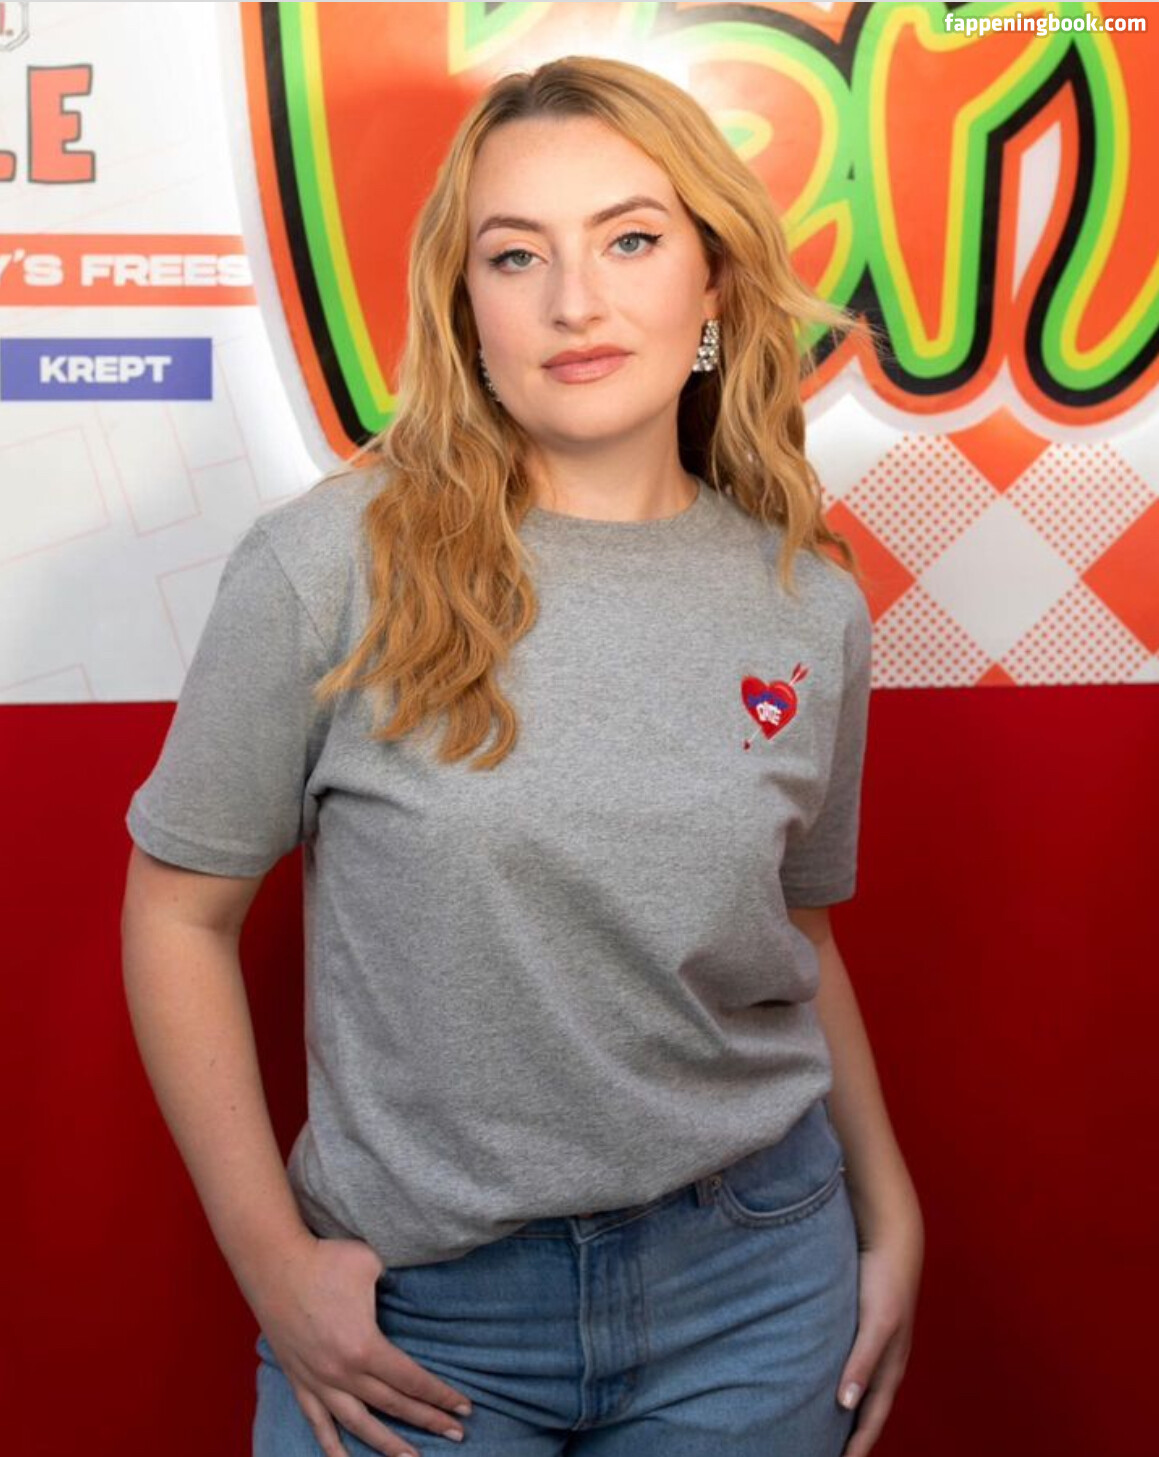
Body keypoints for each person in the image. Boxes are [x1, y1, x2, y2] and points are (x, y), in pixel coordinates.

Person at [120, 54, 923, 1457]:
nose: (574, 301)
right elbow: (177, 916)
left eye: (631, 239)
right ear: (464, 303)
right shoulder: (327, 566)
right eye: (516, 255)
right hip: (423, 1316)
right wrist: (271, 1262)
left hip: (753, 1284)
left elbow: (795, 934)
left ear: (714, 281)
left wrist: (891, 1203)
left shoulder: (807, 601)